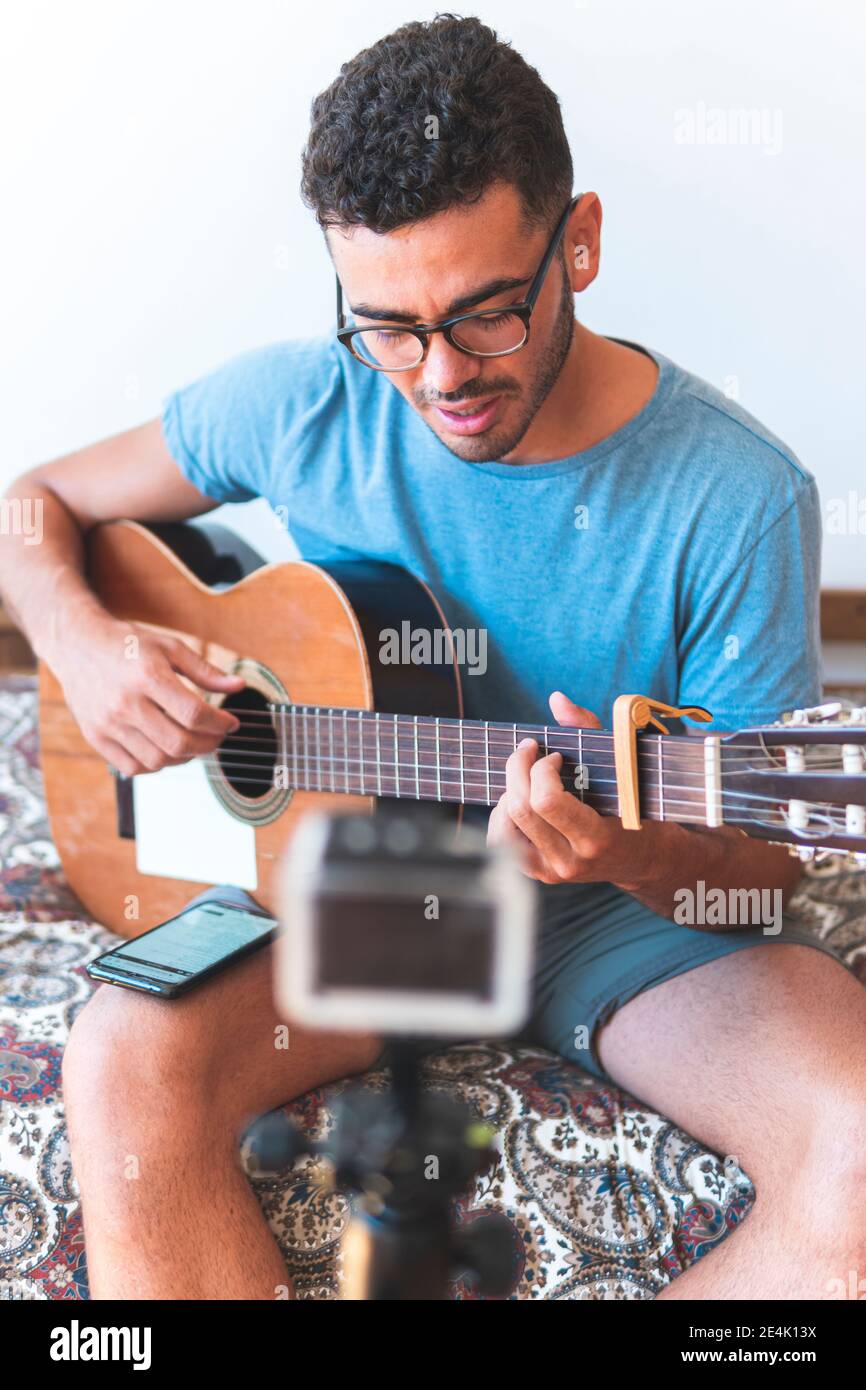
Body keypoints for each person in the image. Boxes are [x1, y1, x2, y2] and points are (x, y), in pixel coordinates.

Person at [2, 15, 863, 1301]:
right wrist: (84, 643)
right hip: (363, 887)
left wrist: (624, 845)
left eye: (485, 316)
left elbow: (752, 872)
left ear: (575, 243)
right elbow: (32, 507)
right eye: (388, 327)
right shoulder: (302, 398)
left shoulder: (735, 495)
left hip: (614, 922)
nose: (439, 375)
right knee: (126, 1056)